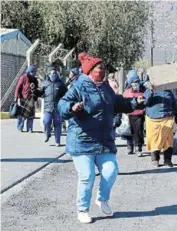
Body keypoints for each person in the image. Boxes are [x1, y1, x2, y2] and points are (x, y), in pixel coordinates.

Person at [58, 52, 144, 224]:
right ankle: (82, 209)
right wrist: (72, 107)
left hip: (104, 140)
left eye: (103, 68)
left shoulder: (105, 88)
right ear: (89, 71)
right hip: (82, 140)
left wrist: (135, 103)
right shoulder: (78, 87)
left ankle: (102, 199)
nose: (102, 71)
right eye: (99, 68)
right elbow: (62, 104)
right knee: (87, 176)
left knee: (111, 171)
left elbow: (118, 102)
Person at [144, 82, 177, 168]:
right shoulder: (149, 90)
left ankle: (167, 160)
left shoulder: (169, 92)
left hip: (167, 119)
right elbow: (145, 102)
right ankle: (155, 160)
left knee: (168, 141)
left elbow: (174, 107)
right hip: (153, 119)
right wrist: (151, 91)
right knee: (154, 140)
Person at [34, 66, 67, 146]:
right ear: (48, 74)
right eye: (52, 73)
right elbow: (40, 93)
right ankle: (47, 133)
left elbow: (66, 94)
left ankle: (57, 141)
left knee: (58, 123)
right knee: (46, 121)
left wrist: (64, 102)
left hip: (57, 108)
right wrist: (34, 90)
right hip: (48, 107)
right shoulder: (45, 83)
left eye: (55, 73)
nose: (53, 74)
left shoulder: (61, 84)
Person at [123, 70, 146, 157]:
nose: (135, 83)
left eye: (137, 81)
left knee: (139, 131)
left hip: (139, 114)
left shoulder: (143, 90)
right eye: (133, 82)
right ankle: (130, 146)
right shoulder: (127, 91)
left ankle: (138, 148)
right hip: (129, 114)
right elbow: (123, 101)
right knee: (128, 131)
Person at [14, 64, 39, 133]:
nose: (33, 73)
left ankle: (30, 128)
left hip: (32, 98)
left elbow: (37, 88)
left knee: (31, 115)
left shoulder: (35, 79)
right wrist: (16, 97)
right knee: (22, 114)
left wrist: (36, 96)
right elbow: (18, 87)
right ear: (29, 71)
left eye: (34, 71)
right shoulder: (23, 77)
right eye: (32, 71)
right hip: (23, 98)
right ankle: (20, 127)